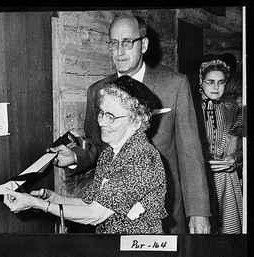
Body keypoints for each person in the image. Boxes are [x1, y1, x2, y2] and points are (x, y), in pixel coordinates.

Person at [50, 15, 211, 234]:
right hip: (112, 216)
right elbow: (98, 146)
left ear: (143, 44)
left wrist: (198, 212)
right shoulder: (97, 91)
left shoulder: (175, 85)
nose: (119, 52)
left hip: (163, 211)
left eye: (127, 42)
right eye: (113, 44)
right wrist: (76, 156)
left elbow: (190, 153)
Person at [4, 76, 168, 234]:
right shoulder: (109, 154)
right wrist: (53, 199)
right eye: (102, 113)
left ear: (136, 121)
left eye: (111, 117)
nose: (102, 122)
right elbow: (88, 202)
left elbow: (95, 214)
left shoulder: (142, 158)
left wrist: (39, 204)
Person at [195, 53, 243, 234]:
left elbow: (241, 143)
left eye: (221, 82)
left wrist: (234, 159)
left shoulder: (231, 108)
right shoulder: (192, 108)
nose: (216, 87)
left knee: (228, 236)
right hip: (200, 180)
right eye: (210, 81)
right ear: (201, 81)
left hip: (225, 179)